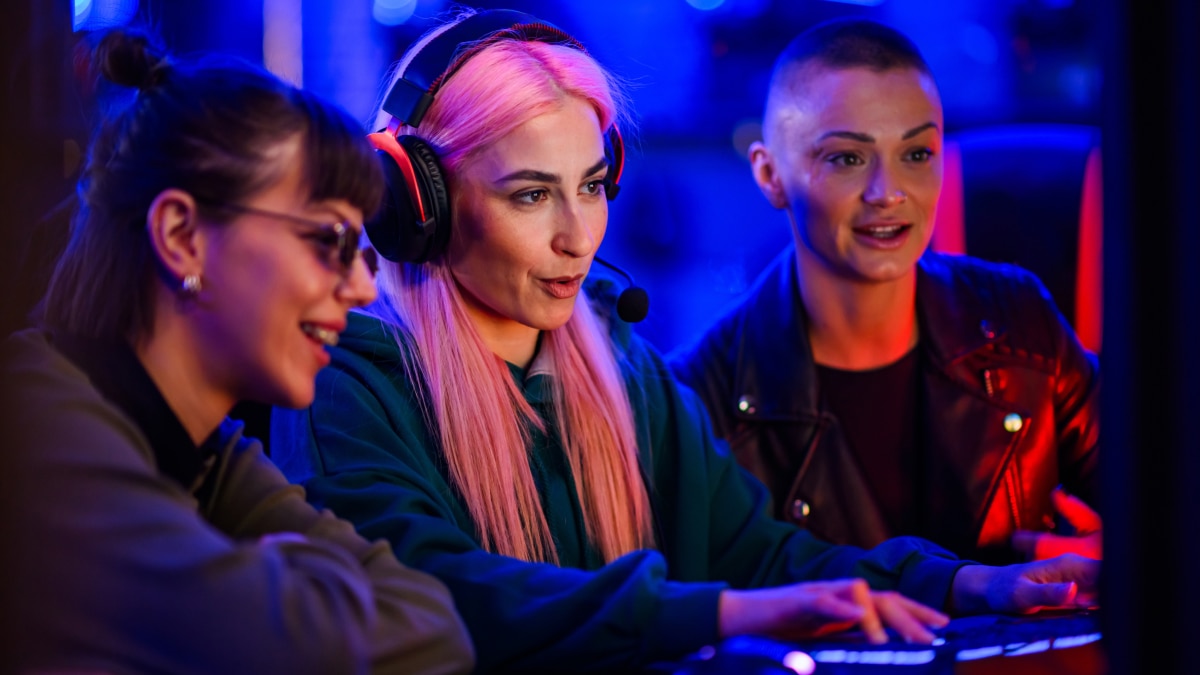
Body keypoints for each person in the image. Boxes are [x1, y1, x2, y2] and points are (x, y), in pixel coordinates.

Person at [270, 9, 1099, 674]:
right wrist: (716, 613)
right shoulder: (343, 376)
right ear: (423, 207)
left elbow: (757, 551)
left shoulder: (614, 358)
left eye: (591, 187)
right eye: (531, 196)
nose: (578, 237)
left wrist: (962, 582)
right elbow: (437, 588)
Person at [0, 28, 474, 674]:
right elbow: (307, 648)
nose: (364, 287)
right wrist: (296, 577)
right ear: (182, 236)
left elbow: (433, 625)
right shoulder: (35, 436)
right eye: (330, 240)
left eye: (363, 254)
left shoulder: (201, 448)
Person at [668, 18, 1101, 566]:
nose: (888, 193)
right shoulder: (697, 397)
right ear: (770, 175)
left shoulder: (1019, 322)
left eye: (917, 154)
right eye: (847, 158)